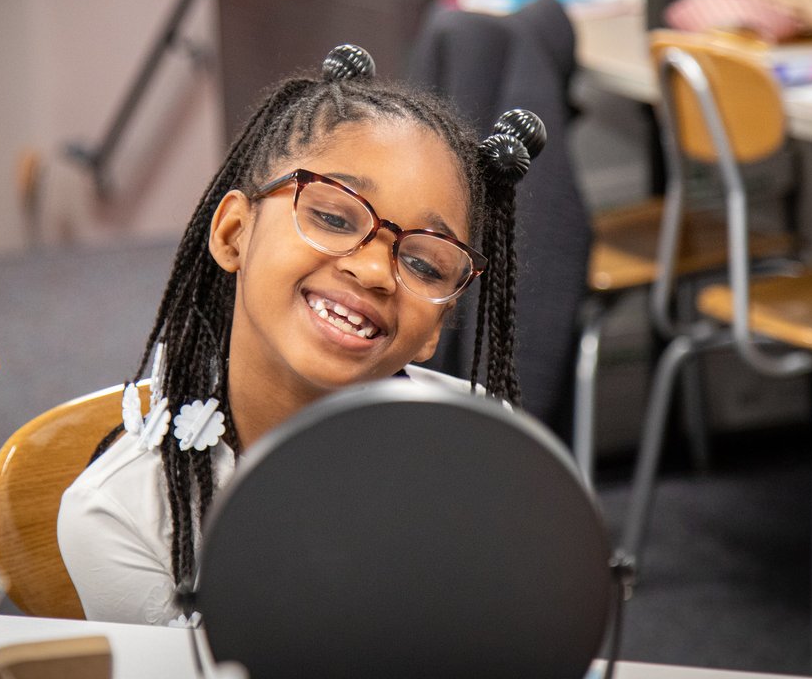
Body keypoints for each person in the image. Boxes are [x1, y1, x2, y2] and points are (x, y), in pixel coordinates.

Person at [57, 44, 545, 625]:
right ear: (235, 232)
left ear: (435, 330)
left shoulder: (487, 456)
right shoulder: (123, 512)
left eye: (423, 264)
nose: (371, 271)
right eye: (334, 218)